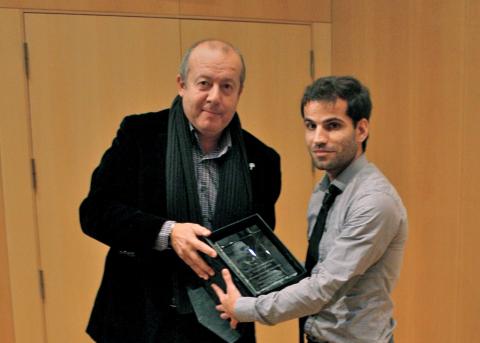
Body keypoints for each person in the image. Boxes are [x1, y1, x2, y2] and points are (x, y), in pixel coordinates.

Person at [79, 39, 281, 343]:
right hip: (142, 319)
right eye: (204, 83)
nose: (215, 97)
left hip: (224, 323)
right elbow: (95, 212)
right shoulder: (140, 136)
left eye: (227, 86)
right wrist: (167, 233)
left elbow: (256, 241)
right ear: (181, 84)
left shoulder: (263, 159)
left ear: (239, 93)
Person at [212, 76, 408, 343]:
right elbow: (316, 272)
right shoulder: (325, 189)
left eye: (333, 126)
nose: (318, 138)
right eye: (310, 125)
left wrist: (245, 308)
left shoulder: (374, 202)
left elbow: (323, 287)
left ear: (361, 130)